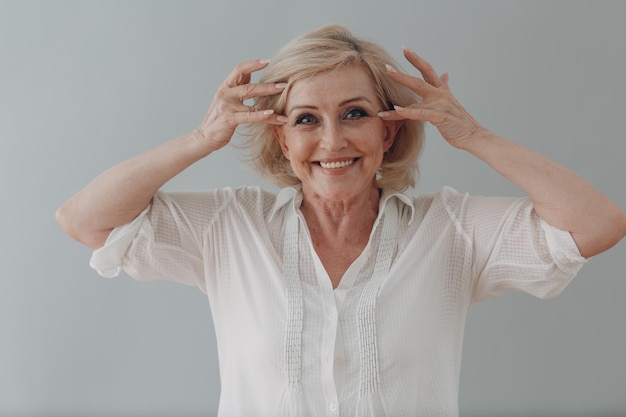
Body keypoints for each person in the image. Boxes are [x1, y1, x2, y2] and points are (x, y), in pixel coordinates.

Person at [56, 24, 626, 417]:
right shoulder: (230, 227)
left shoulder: (450, 230)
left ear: (389, 130)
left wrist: (472, 135)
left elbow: (597, 224)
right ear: (281, 138)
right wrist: (202, 138)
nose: (333, 141)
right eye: (307, 118)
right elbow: (84, 220)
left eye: (355, 113)